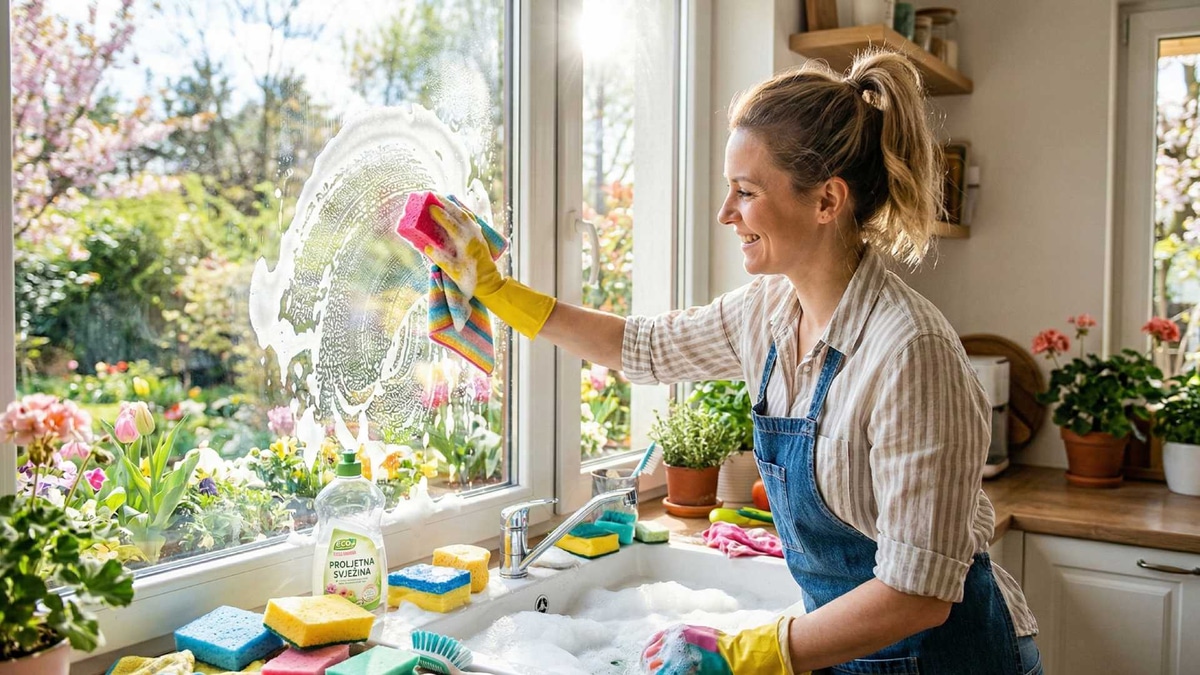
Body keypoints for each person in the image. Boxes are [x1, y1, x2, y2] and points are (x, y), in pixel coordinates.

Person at [424, 49, 1042, 675]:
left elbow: (918, 596)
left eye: (745, 192)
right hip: (852, 655)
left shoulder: (910, 355)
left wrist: (753, 651)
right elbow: (640, 347)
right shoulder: (768, 312)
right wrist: (500, 292)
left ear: (827, 201)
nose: (726, 214)